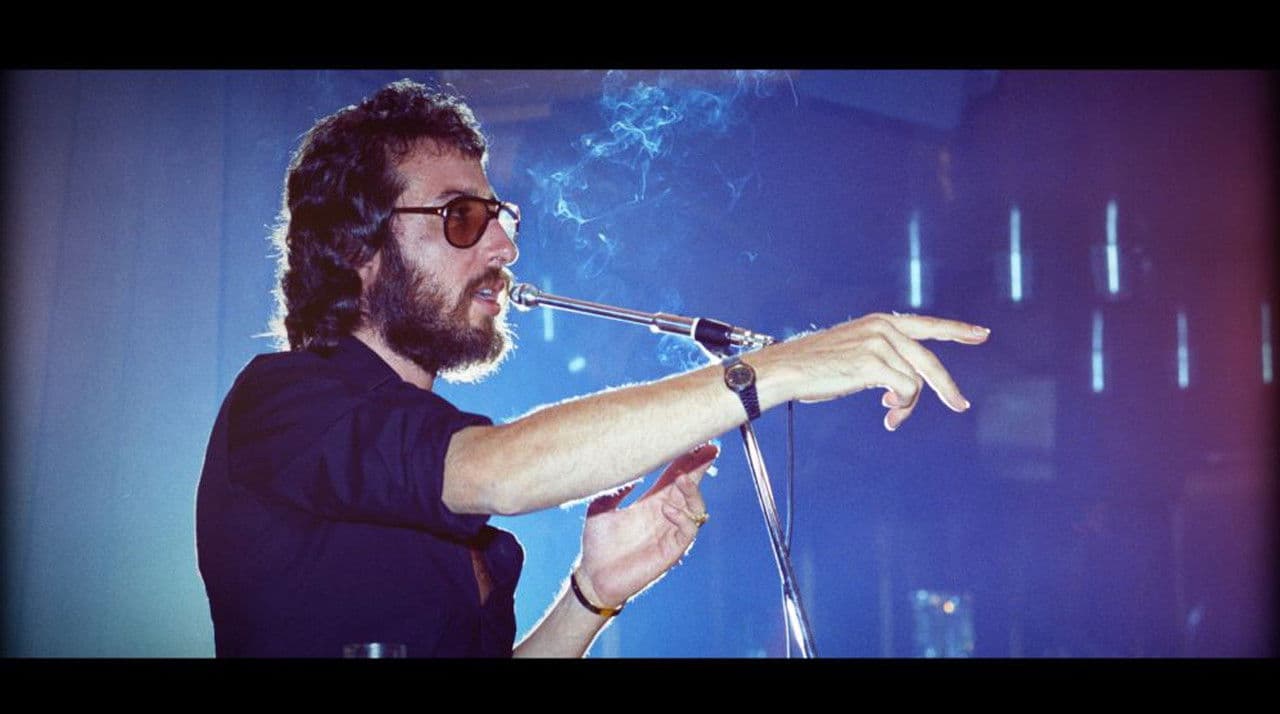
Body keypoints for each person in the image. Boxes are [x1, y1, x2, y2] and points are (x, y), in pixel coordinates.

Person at [195, 79, 990, 658]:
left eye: (500, 216)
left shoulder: (417, 438)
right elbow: (502, 470)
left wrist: (590, 595)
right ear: (356, 248)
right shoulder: (280, 403)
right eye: (462, 217)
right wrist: (768, 371)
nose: (505, 244)